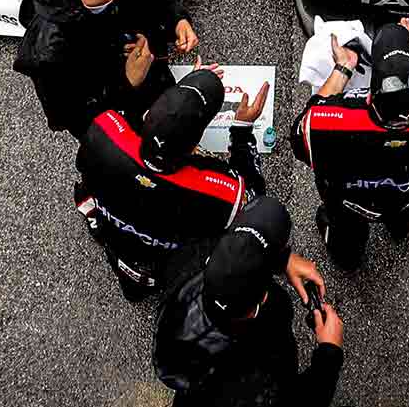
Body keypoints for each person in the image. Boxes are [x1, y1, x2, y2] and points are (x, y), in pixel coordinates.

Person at [155, 194, 360, 407]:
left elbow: (228, 245)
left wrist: (283, 259)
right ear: (260, 301)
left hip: (198, 399)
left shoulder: (186, 263)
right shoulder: (254, 389)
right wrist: (329, 353)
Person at [290, 19, 409, 269]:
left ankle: (348, 260)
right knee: (404, 217)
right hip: (407, 198)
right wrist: (404, 48)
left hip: (350, 204)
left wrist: (344, 68)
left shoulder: (328, 126)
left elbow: (300, 133)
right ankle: (400, 230)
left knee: (346, 240)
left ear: (369, 96)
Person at [75, 65, 270, 300]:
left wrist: (183, 94)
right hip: (171, 261)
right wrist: (242, 130)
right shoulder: (218, 192)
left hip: (119, 241)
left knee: (132, 283)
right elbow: (256, 202)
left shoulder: (103, 129)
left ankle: (133, 284)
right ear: (193, 146)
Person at [13, 0, 198, 138]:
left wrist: (177, 19)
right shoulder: (47, 54)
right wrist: (129, 81)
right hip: (115, 98)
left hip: (137, 63)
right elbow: (70, 116)